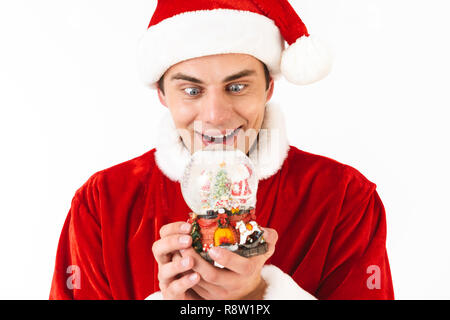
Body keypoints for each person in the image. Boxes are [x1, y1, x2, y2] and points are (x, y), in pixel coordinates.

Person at [49, 0, 394, 300]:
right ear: (162, 94)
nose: (215, 116)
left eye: (238, 86)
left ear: (269, 87)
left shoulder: (344, 198)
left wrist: (257, 295)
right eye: (192, 91)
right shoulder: (101, 204)